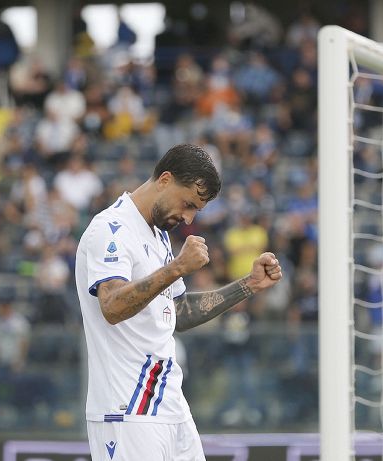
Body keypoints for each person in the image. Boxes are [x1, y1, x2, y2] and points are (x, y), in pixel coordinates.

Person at [75, 143, 282, 460]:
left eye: (196, 210)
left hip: (169, 403)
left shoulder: (158, 237)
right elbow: (112, 306)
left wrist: (249, 285)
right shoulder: (110, 230)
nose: (187, 218)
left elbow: (180, 312)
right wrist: (176, 269)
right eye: (187, 204)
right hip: (127, 409)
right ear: (165, 180)